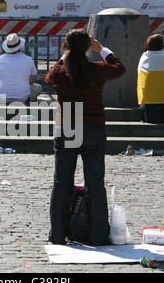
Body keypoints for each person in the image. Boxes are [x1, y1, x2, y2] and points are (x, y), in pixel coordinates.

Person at [44, 28, 125, 246]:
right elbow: (119, 67)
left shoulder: (61, 71)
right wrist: (101, 49)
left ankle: (58, 235)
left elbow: (48, 76)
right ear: (88, 46)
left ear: (66, 47)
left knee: (62, 182)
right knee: (95, 183)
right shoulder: (97, 69)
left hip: (69, 125)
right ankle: (98, 235)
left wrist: (65, 54)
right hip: (93, 126)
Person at [0, 33, 42, 104]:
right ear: (20, 47)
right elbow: (31, 81)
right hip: (22, 98)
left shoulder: (0, 59)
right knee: (38, 87)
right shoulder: (28, 59)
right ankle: (31, 108)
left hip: (3, 98)